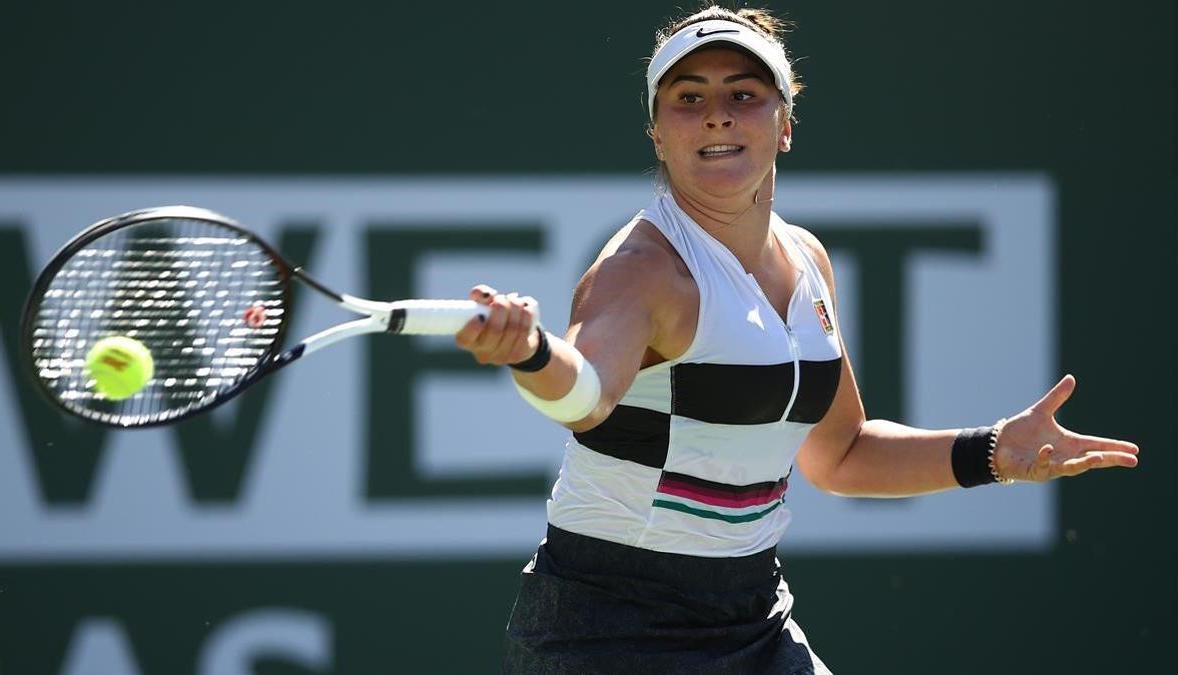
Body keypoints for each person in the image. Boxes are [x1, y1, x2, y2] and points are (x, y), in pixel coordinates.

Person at [454, 5, 1140, 674]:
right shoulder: (642, 270)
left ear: (784, 124)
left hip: (754, 614)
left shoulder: (808, 261)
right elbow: (587, 398)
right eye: (688, 97)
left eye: (743, 94)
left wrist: (995, 452)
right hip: (605, 627)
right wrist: (531, 352)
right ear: (657, 133)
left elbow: (841, 454)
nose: (717, 113)